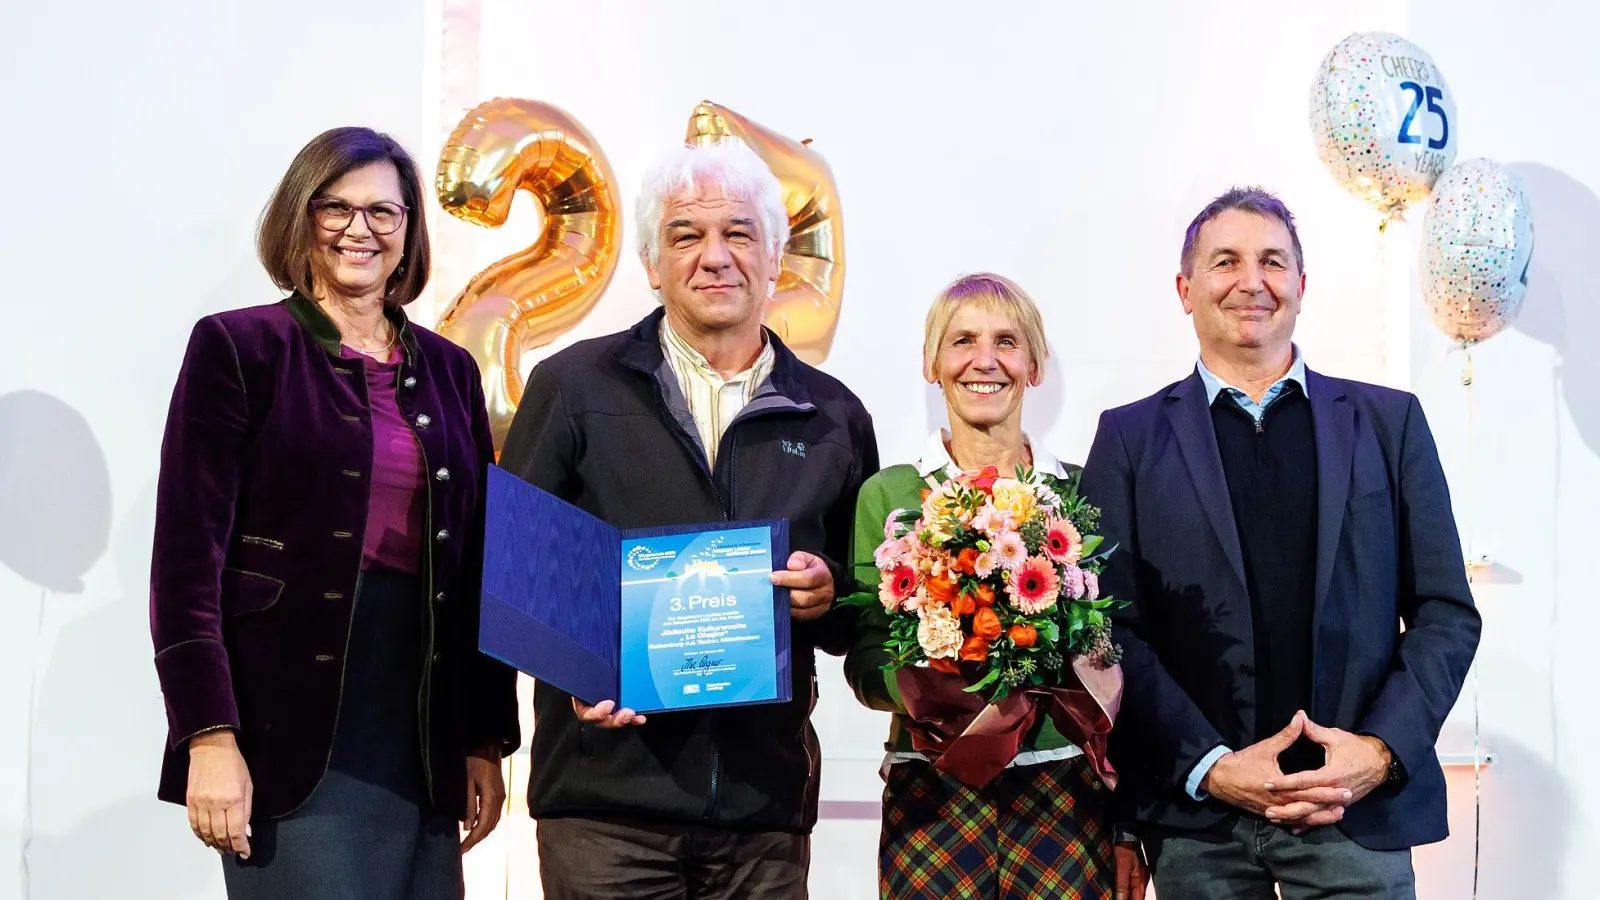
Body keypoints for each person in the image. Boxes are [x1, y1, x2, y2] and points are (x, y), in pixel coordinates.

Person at [496, 137, 879, 900]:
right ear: (651, 263)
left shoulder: (834, 413)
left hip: (762, 816)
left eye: (739, 233)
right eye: (686, 235)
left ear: (775, 258)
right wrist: (582, 673)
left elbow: (859, 612)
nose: (715, 256)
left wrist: (828, 590)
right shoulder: (571, 387)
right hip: (605, 811)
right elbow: (514, 571)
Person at [149, 127, 520, 899]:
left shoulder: (450, 370)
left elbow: (478, 564)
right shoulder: (239, 347)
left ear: (410, 230)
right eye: (336, 208)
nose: (361, 230)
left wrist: (484, 738)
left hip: (419, 730)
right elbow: (187, 569)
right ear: (300, 217)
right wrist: (207, 738)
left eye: (384, 212)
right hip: (289, 733)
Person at [1081, 187, 1481, 899]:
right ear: (1186, 289)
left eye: (1272, 261)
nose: (1251, 281)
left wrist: (1379, 752)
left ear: (1301, 284)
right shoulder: (1129, 440)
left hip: (1355, 817)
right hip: (1201, 821)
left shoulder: (1389, 424)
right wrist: (1209, 765)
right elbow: (1107, 630)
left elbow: (1446, 612)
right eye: (1225, 261)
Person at [843, 273, 1149, 900]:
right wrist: (924, 686)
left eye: (1007, 341)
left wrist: (1130, 823)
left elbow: (1124, 660)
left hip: (1065, 789)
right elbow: (864, 658)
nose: (985, 361)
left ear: (1035, 366)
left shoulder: (1082, 492)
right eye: (962, 341)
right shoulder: (892, 495)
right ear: (932, 363)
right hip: (933, 788)